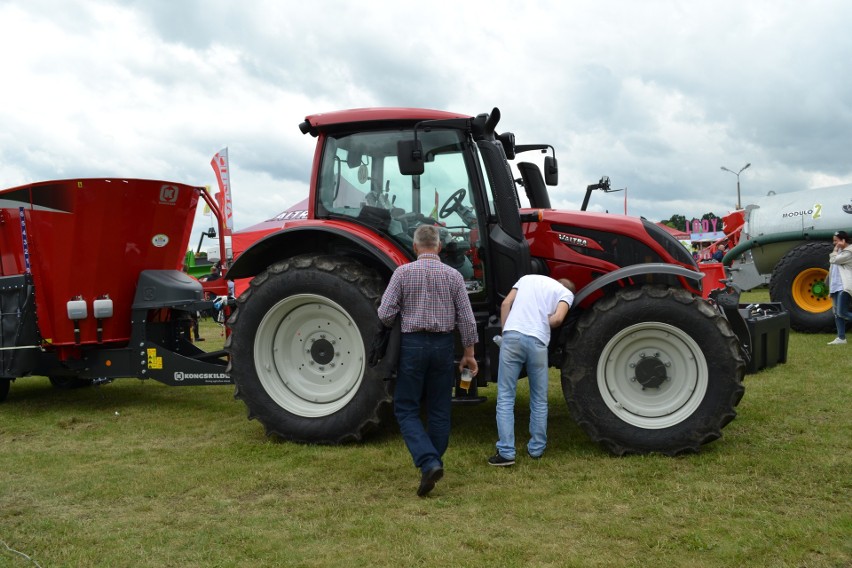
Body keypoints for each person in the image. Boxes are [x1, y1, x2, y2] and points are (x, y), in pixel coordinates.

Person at [377, 224, 478, 496]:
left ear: (414, 246)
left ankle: (428, 461)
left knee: (406, 407)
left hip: (413, 345)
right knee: (440, 407)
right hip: (443, 345)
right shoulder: (454, 276)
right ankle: (431, 462)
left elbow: (385, 314)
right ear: (439, 247)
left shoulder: (402, 274)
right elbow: (467, 320)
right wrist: (469, 354)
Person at [489, 275, 574, 466]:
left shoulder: (526, 279)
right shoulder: (566, 293)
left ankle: (506, 452)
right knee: (539, 398)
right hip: (537, 342)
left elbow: (505, 304)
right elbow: (558, 319)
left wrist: (505, 331)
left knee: (505, 396)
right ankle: (536, 449)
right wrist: (544, 321)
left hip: (512, 337)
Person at [827, 230, 852, 345]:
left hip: (844, 286)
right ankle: (841, 338)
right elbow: (833, 270)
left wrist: (835, 250)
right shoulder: (841, 252)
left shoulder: (849, 252)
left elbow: (833, 260)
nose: (834, 243)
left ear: (843, 240)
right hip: (836, 286)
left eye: (836, 241)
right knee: (837, 313)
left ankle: (841, 338)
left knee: (842, 312)